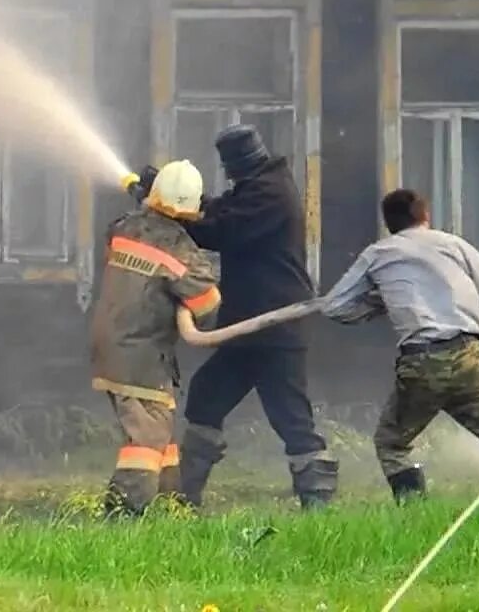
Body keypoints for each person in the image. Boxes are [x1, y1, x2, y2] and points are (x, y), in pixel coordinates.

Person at [321, 188, 479, 501]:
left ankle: (416, 511)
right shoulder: (453, 245)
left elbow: (334, 306)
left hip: (421, 364)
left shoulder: (378, 254)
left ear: (388, 224)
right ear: (425, 216)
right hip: (469, 358)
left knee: (392, 443)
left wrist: (379, 304)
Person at [166, 125, 338, 508]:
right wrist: (167, 195)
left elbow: (221, 229)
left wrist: (175, 214)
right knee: (207, 395)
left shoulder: (270, 194)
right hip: (249, 327)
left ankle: (318, 502)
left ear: (236, 165)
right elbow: (218, 209)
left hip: (274, 325)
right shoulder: (258, 187)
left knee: (291, 417)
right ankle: (184, 499)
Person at [89, 160, 222, 515]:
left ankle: (171, 507)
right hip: (141, 354)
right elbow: (207, 306)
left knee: (161, 432)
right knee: (147, 439)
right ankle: (123, 514)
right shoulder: (180, 249)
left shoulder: (122, 229)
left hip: (112, 344)